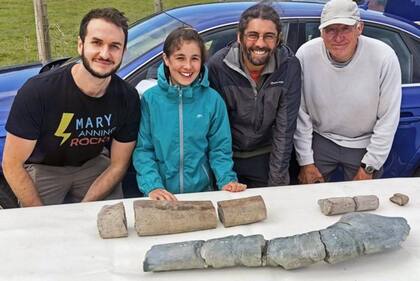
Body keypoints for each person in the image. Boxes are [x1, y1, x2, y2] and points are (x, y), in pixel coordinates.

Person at [2, 8, 140, 207]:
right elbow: (12, 164)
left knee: (111, 224)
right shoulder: (39, 91)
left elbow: (119, 165)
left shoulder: (127, 97)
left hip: (93, 164)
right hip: (45, 167)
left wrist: (84, 209)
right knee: (42, 232)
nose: (104, 53)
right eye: (97, 43)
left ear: (123, 52)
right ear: (80, 45)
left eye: (114, 46)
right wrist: (39, 215)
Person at [132, 27, 246, 201]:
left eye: (195, 59)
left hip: (202, 195)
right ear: (166, 59)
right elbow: (143, 151)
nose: (187, 66)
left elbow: (220, 150)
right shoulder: (150, 100)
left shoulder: (213, 100)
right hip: (160, 197)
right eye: (180, 58)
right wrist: (152, 186)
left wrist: (227, 181)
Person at [294, 0, 401, 183]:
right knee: (309, 198)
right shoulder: (305, 55)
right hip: (321, 139)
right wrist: (306, 162)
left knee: (364, 202)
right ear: (321, 32)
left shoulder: (384, 57)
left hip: (364, 142)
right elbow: (300, 112)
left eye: (345, 28)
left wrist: (370, 165)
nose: (338, 37)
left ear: (359, 28)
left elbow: (388, 118)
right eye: (331, 30)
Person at [207, 4, 302, 188]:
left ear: (278, 39)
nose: (260, 43)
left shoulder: (289, 67)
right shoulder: (218, 66)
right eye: (253, 35)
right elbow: (214, 130)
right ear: (239, 37)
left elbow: (285, 130)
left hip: (266, 158)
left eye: (269, 36)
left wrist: (276, 185)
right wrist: (224, 177)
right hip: (225, 159)